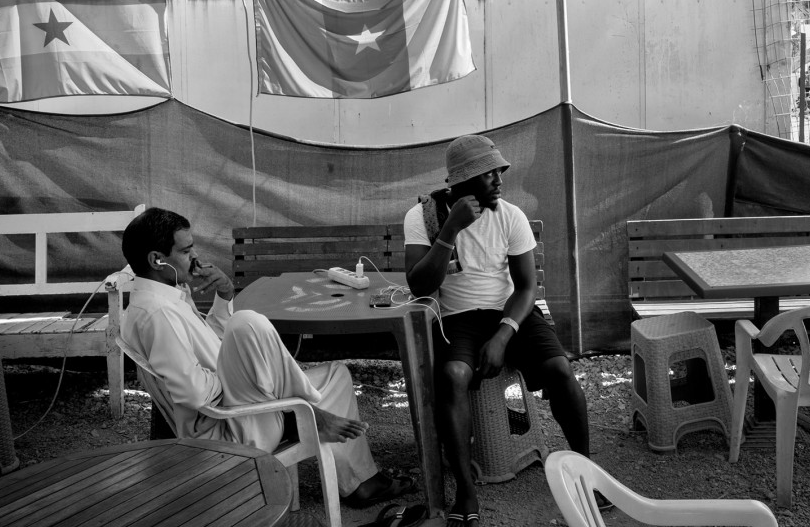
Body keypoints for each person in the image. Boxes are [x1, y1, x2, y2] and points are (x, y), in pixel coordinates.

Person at [119, 207, 415, 508]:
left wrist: (224, 296)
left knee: (336, 376)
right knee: (249, 323)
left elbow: (210, 342)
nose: (195, 256)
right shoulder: (157, 314)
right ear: (158, 260)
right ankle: (311, 412)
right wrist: (242, 373)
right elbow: (193, 392)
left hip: (240, 409)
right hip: (226, 430)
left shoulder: (165, 297)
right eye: (185, 250)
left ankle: (359, 482)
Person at [403, 135, 600, 527]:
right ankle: (465, 488)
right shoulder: (423, 217)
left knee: (560, 370)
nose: (498, 179)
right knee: (452, 374)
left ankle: (586, 473)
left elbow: (526, 288)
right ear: (462, 180)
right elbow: (419, 285)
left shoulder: (511, 215)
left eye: (498, 171)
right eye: (488, 172)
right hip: (458, 316)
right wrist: (450, 231)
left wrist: (503, 335)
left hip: (511, 313)